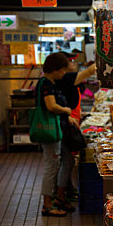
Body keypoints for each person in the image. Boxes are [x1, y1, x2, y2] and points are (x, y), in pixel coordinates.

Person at [54, 55, 96, 207]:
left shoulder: (65, 78)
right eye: (70, 61)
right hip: (66, 125)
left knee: (67, 161)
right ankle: (59, 196)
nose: (73, 63)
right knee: (67, 161)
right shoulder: (67, 78)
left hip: (71, 122)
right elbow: (91, 70)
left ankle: (66, 191)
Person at [37, 52, 74, 217]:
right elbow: (51, 106)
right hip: (49, 131)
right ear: (54, 69)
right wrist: (66, 110)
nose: (63, 73)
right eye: (62, 70)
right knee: (51, 167)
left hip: (55, 130)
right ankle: (47, 205)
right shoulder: (46, 84)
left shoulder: (50, 82)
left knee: (55, 165)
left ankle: (55, 200)